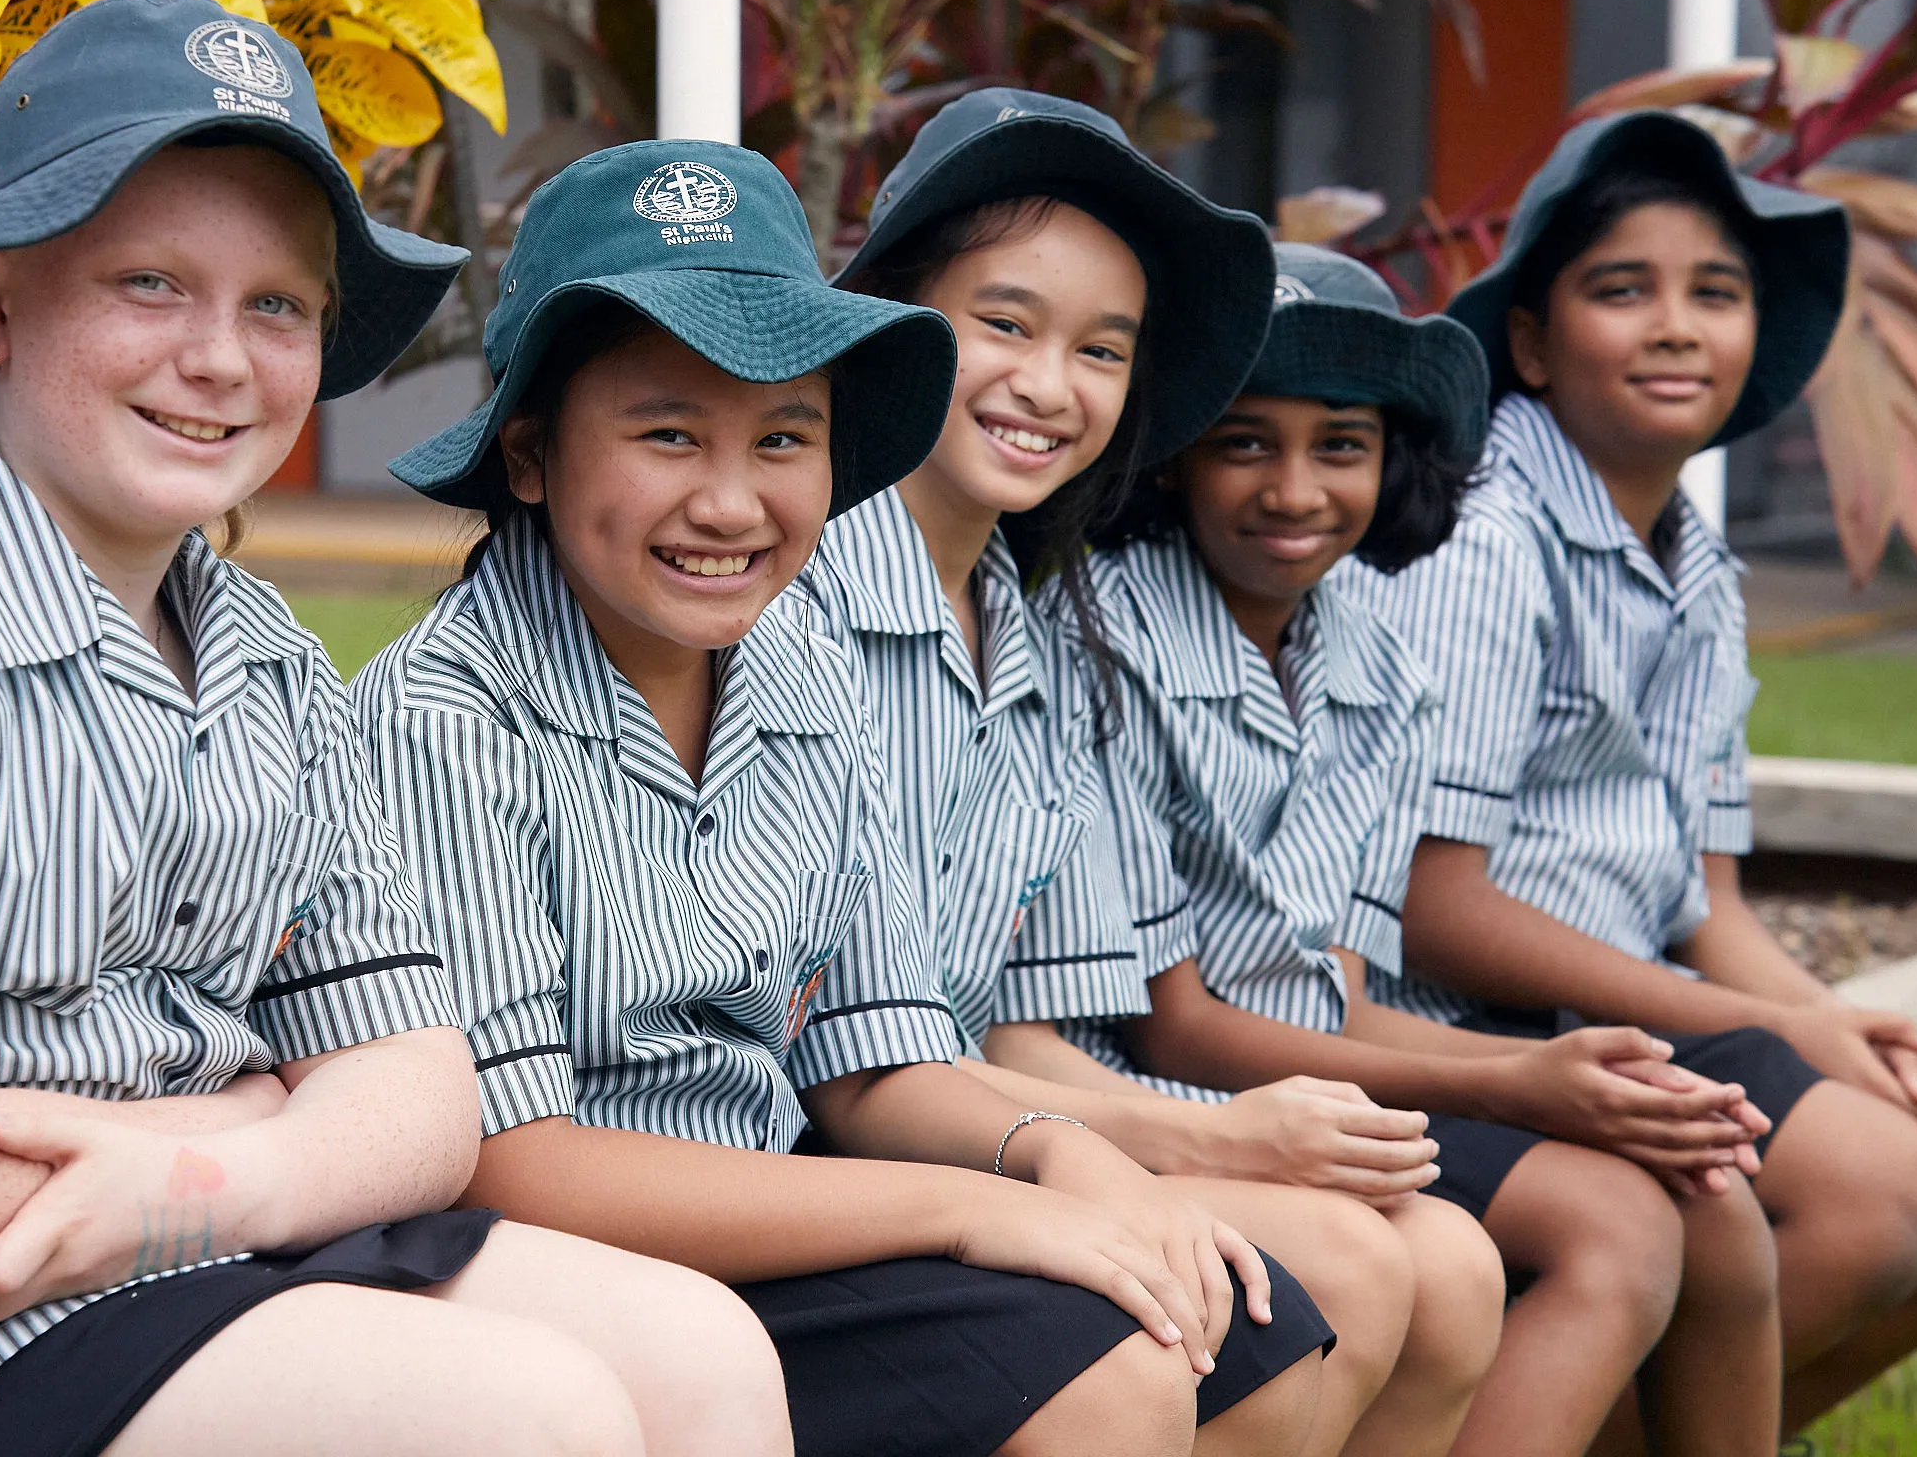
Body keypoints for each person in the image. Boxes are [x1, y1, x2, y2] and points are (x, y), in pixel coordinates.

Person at [0, 0, 790, 1457]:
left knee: (705, 1358)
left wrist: (220, 1171)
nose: (221, 360)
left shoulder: (270, 664)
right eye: (150, 283)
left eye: (277, 305)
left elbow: (426, 1100)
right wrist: (265, 1120)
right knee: (525, 1415)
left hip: (190, 1258)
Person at [355, 137, 1329, 1457]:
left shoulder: (800, 666)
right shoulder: (447, 712)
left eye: (784, 439)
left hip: (774, 1209)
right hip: (537, 1253)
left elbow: (875, 1054)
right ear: (528, 454)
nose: (730, 500)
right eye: (665, 433)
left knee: (1248, 1329)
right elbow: (518, 1158)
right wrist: (969, 1207)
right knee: (1111, 1373)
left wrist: (1063, 1153)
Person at [815, 90, 1499, 1457]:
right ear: (891, 312)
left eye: (1103, 350)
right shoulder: (800, 591)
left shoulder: (1029, 618)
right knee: (1344, 1274)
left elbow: (1016, 1018)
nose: (1050, 386)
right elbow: (852, 1060)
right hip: (827, 1155)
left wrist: (1210, 1128)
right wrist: (1200, 1142)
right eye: (1004, 325)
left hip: (977, 1111)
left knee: (1441, 1265)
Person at [1051, 242, 1789, 1456]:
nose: (1295, 489)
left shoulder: (1376, 660)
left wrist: (1579, 1083)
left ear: (1393, 457)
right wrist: (1514, 1079)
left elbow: (1336, 994)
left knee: (1692, 1195)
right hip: (1162, 1095)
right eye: (1246, 441)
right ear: (1177, 455)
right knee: (1614, 1225)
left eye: (1340, 444)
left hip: (1318, 1078)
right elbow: (1171, 1023)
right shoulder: (1105, 638)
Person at [1343, 107, 1917, 1435]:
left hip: (1634, 1002)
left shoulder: (1698, 561)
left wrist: (1827, 1020)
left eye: (1717, 292)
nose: (1675, 325)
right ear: (1530, 339)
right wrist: (1743, 1029)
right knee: (1879, 1192)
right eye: (1620, 289)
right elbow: (1434, 904)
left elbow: (1710, 903)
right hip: (1468, 1024)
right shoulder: (1488, 535)